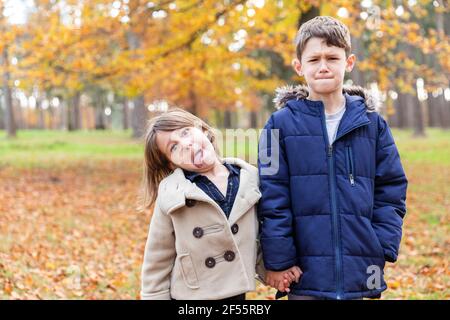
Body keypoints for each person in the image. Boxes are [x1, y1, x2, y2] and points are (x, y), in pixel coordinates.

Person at [258, 16, 408, 300]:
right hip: (304, 270)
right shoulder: (278, 126)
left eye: (332, 58)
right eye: (314, 59)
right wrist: (280, 260)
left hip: (361, 265)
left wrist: (381, 244)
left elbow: (392, 187)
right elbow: (271, 196)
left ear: (348, 63)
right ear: (299, 67)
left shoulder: (372, 124)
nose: (323, 66)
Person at [140, 108, 300, 300]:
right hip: (191, 296)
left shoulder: (250, 179)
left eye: (185, 132)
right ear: (171, 164)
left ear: (203, 130)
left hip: (235, 293)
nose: (186, 144)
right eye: (173, 147)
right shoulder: (172, 195)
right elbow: (157, 260)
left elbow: (256, 237)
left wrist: (277, 269)